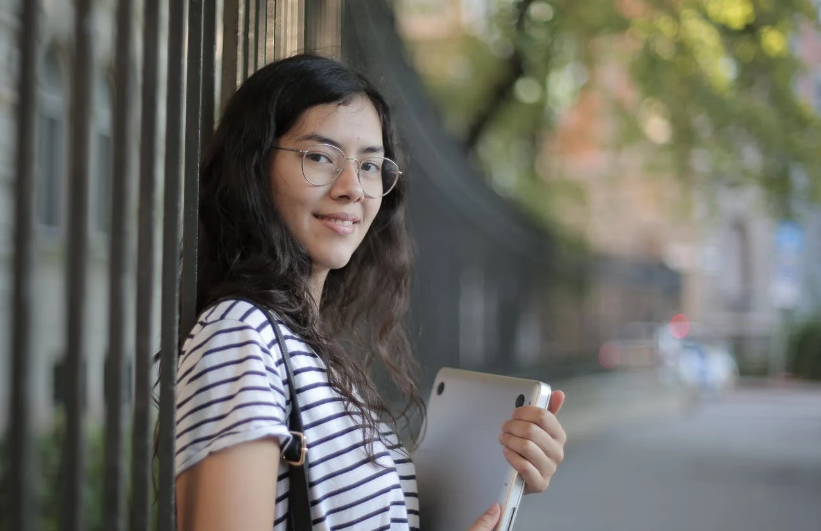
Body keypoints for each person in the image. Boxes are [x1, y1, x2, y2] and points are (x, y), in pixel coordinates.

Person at [174, 53, 567, 531]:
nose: (352, 188)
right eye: (319, 156)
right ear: (252, 166)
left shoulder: (309, 349)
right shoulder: (241, 333)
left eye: (370, 165)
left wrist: (505, 470)